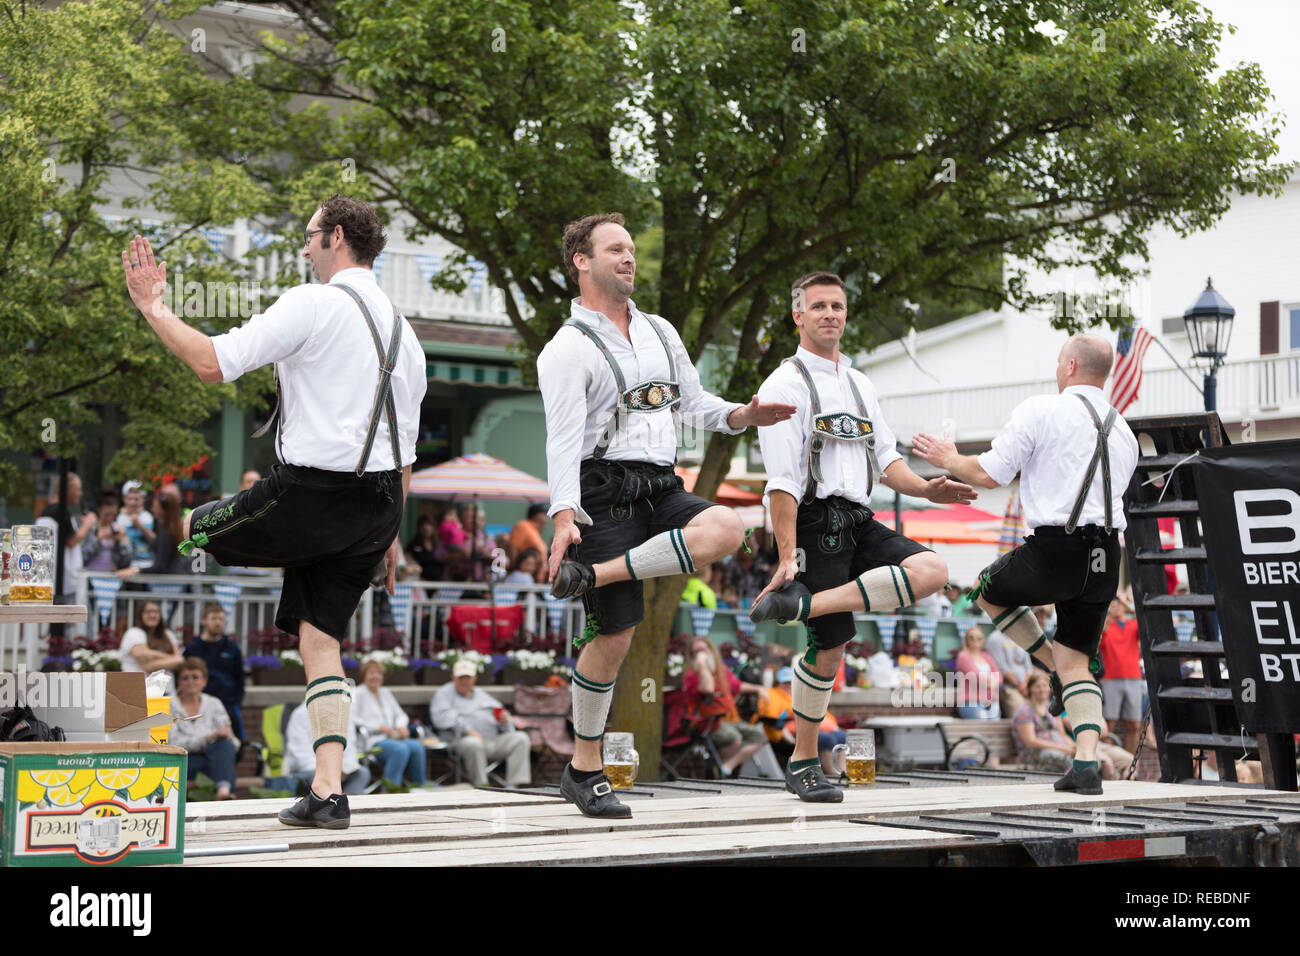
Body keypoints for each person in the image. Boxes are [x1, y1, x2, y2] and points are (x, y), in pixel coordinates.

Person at [121, 193, 426, 830]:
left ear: (335, 237)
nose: (303, 247)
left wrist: (153, 306)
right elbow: (403, 452)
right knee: (321, 641)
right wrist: (390, 538)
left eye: (308, 236)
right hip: (377, 510)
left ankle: (185, 590)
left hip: (312, 495)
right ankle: (328, 790)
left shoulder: (312, 302)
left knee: (191, 525)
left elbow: (211, 362)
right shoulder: (407, 332)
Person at [537, 212, 795, 818]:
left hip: (660, 481)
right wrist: (563, 515)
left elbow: (695, 404)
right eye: (614, 249)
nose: (629, 258)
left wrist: (742, 415)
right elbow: (561, 439)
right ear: (582, 261)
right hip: (600, 487)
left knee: (730, 527)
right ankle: (584, 768)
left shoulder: (659, 330)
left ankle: (592, 576)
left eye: (630, 249)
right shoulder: (566, 348)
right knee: (616, 634)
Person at [747, 272, 974, 803]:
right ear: (798, 316)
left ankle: (803, 606)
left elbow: (887, 458)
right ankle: (803, 761)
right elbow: (780, 481)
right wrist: (785, 557)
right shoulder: (784, 385)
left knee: (933, 571)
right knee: (831, 651)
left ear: (847, 315)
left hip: (857, 516)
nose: (831, 314)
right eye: (819, 306)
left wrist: (925, 489)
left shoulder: (860, 383)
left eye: (838, 306)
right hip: (811, 519)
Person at [912, 332, 1139, 795]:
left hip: (1057, 546)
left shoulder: (1042, 409)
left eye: (1059, 361)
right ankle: (1086, 766)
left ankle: (1048, 664)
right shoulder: (1125, 430)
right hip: (1105, 559)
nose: (1057, 369)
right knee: (1080, 665)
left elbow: (989, 473)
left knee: (983, 588)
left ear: (1071, 365)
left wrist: (948, 457)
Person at [430, 659, 533, 788]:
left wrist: (504, 721)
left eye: (468, 677)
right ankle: (482, 786)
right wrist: (468, 730)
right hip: (460, 740)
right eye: (461, 677)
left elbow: (502, 716)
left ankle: (513, 787)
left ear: (474, 679)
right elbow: (441, 719)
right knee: (474, 743)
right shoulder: (444, 693)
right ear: (453, 678)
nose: (464, 681)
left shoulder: (481, 694)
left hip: (491, 740)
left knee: (521, 738)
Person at [681, 638, 770, 776]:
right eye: (697, 652)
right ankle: (722, 771)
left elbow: (737, 686)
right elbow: (708, 688)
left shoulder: (721, 670)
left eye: (704, 649)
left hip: (732, 719)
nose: (702, 653)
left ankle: (727, 766)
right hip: (710, 722)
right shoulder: (692, 674)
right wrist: (702, 665)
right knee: (734, 739)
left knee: (759, 737)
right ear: (692, 656)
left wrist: (758, 688)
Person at [351, 659, 428, 789]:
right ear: (364, 675)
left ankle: (419, 787)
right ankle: (389, 790)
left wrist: (401, 726)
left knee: (416, 746)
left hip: (393, 737)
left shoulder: (385, 692)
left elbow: (401, 714)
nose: (375, 677)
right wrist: (377, 727)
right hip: (371, 741)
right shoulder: (356, 693)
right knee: (400, 749)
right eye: (372, 673)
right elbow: (351, 718)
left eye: (379, 673)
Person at [169, 657, 238, 799]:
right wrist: (208, 738)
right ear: (178, 682)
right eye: (185, 678)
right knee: (222, 762)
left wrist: (226, 736)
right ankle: (224, 793)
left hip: (216, 756)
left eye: (195, 677)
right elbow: (173, 744)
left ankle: (222, 792)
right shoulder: (168, 706)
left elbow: (234, 744)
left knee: (224, 746)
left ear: (204, 681)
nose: (190, 682)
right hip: (184, 762)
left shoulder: (214, 703)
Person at [183, 602, 246, 739]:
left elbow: (240, 678)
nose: (218, 623)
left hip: (227, 705)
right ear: (204, 621)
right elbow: (183, 677)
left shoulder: (231, 647)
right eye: (213, 618)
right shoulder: (193, 648)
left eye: (221, 619)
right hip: (200, 706)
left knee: (237, 743)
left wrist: (236, 703)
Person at [283, 703, 371, 796]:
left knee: (362, 773)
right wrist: (330, 772)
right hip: (310, 770)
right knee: (316, 778)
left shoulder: (343, 714)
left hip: (340, 771)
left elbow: (350, 749)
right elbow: (300, 756)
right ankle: (331, 805)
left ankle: (346, 804)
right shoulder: (300, 714)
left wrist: (346, 768)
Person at [36, 472, 95, 609]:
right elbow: (71, 541)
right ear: (67, 489)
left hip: (53, 580)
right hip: (64, 582)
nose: (80, 494)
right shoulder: (60, 511)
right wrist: (88, 523)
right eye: (77, 489)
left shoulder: (48, 510)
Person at [1098, 598, 1144, 754]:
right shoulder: (1106, 626)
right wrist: (1107, 616)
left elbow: (1143, 619)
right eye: (1112, 605)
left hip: (1133, 677)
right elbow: (1099, 643)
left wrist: (1127, 603)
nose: (1116, 608)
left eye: (1118, 605)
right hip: (1111, 678)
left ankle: (1130, 761)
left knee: (1135, 725)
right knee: (1110, 723)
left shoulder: (1132, 625)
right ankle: (1111, 757)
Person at [1011, 672, 1075, 773]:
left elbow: (1062, 734)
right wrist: (1062, 748)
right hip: (1035, 754)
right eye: (1037, 686)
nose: (1042, 690)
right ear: (1030, 689)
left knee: (1083, 755)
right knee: (1059, 758)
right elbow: (1031, 742)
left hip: (1058, 748)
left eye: (1045, 686)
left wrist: (1072, 746)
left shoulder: (1052, 708)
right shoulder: (1024, 711)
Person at [120, 600, 184, 694]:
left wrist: (150, 663)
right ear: (140, 615)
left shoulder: (168, 634)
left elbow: (179, 661)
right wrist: (171, 658)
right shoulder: (134, 632)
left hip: (166, 691)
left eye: (156, 611)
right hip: (138, 691)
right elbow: (142, 654)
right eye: (148, 612)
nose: (153, 615)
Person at [985, 619, 1032, 717]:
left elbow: (1028, 667)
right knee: (1022, 715)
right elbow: (1002, 669)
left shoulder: (1021, 637)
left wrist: (1026, 685)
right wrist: (1020, 685)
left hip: (1027, 687)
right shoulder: (994, 638)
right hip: (1008, 689)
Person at [954, 626, 1001, 719]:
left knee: (994, 727)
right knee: (981, 725)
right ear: (967, 640)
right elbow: (976, 677)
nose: (975, 640)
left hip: (991, 701)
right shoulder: (963, 656)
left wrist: (992, 681)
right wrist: (991, 680)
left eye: (979, 637)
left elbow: (999, 676)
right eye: (971, 637)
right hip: (971, 702)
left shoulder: (986, 656)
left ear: (983, 640)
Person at [81, 489, 133, 573]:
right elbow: (83, 555)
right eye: (106, 514)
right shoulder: (90, 528)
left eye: (113, 514)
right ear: (99, 510)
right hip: (91, 575)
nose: (109, 518)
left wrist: (120, 542)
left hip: (112, 577)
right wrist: (98, 539)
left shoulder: (118, 528)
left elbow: (127, 559)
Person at [118, 482, 156, 569]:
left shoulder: (148, 517)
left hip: (147, 563)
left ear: (143, 499)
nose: (132, 503)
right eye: (129, 499)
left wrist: (139, 525)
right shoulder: (120, 518)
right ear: (124, 499)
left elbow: (153, 540)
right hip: (127, 565)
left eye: (136, 499)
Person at [509, 504, 550, 582]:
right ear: (537, 515)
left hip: (535, 579)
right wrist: (515, 568)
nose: (546, 519)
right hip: (524, 578)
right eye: (544, 514)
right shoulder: (523, 526)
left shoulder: (535, 531)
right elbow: (513, 547)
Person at [407, 514, 442, 581]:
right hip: (420, 584)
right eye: (423, 525)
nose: (426, 528)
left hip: (441, 584)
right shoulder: (413, 545)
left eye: (429, 524)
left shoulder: (439, 544)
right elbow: (408, 561)